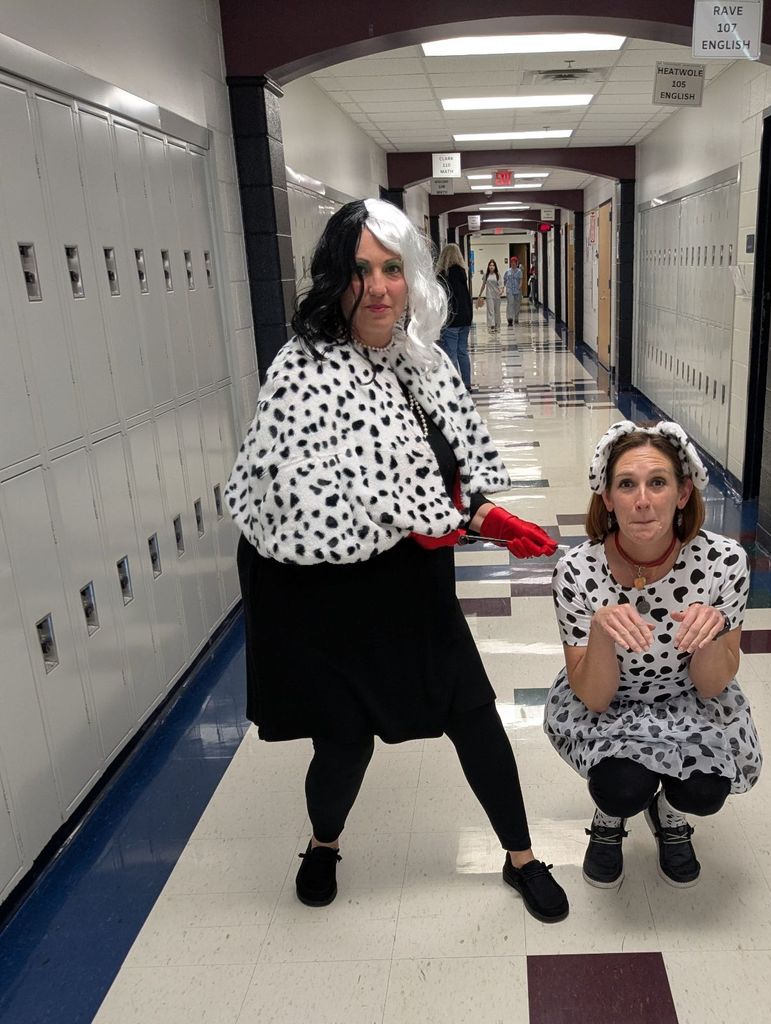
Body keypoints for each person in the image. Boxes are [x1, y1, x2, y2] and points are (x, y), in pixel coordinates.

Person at [226, 198, 569, 923]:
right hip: (327, 599)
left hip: (414, 589)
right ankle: (323, 842)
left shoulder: (422, 363)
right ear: (334, 281)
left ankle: (520, 856)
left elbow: (435, 481)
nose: (379, 288)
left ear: (411, 277)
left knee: (474, 713)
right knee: (344, 745)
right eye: (359, 271)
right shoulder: (303, 369)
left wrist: (481, 516)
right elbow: (287, 500)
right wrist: (424, 525)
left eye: (391, 269)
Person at [543, 420, 761, 889]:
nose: (642, 500)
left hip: (688, 697)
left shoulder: (724, 563)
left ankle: (669, 812)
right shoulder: (576, 571)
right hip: (613, 704)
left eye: (657, 483)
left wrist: (711, 630)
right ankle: (610, 818)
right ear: (607, 498)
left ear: (682, 494)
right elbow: (596, 698)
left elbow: (712, 685)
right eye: (627, 485)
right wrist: (601, 631)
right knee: (621, 788)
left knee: (705, 791)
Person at [435, 243, 473, 389]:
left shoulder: (441, 276)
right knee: (462, 352)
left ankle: (457, 387)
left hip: (451, 320)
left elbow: (441, 301)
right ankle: (467, 383)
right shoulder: (463, 274)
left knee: (451, 354)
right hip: (465, 319)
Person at [477, 258, 501, 332]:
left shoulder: (497, 275)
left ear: (495, 266)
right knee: (490, 311)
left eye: (493, 265)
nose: (491, 267)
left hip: (497, 295)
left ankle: (497, 324)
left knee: (497, 311)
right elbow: (483, 285)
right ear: (488, 266)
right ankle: (491, 325)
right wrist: (480, 294)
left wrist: (501, 291)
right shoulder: (486, 275)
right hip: (489, 295)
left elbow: (501, 285)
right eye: (490, 265)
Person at [503, 256, 523, 326]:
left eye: (515, 262)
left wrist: (520, 286)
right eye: (512, 262)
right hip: (510, 290)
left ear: (517, 263)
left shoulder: (519, 271)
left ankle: (516, 317)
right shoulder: (507, 271)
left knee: (517, 304)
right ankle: (510, 318)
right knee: (510, 304)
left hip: (517, 290)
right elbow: (504, 280)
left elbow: (521, 280)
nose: (513, 264)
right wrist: (503, 288)